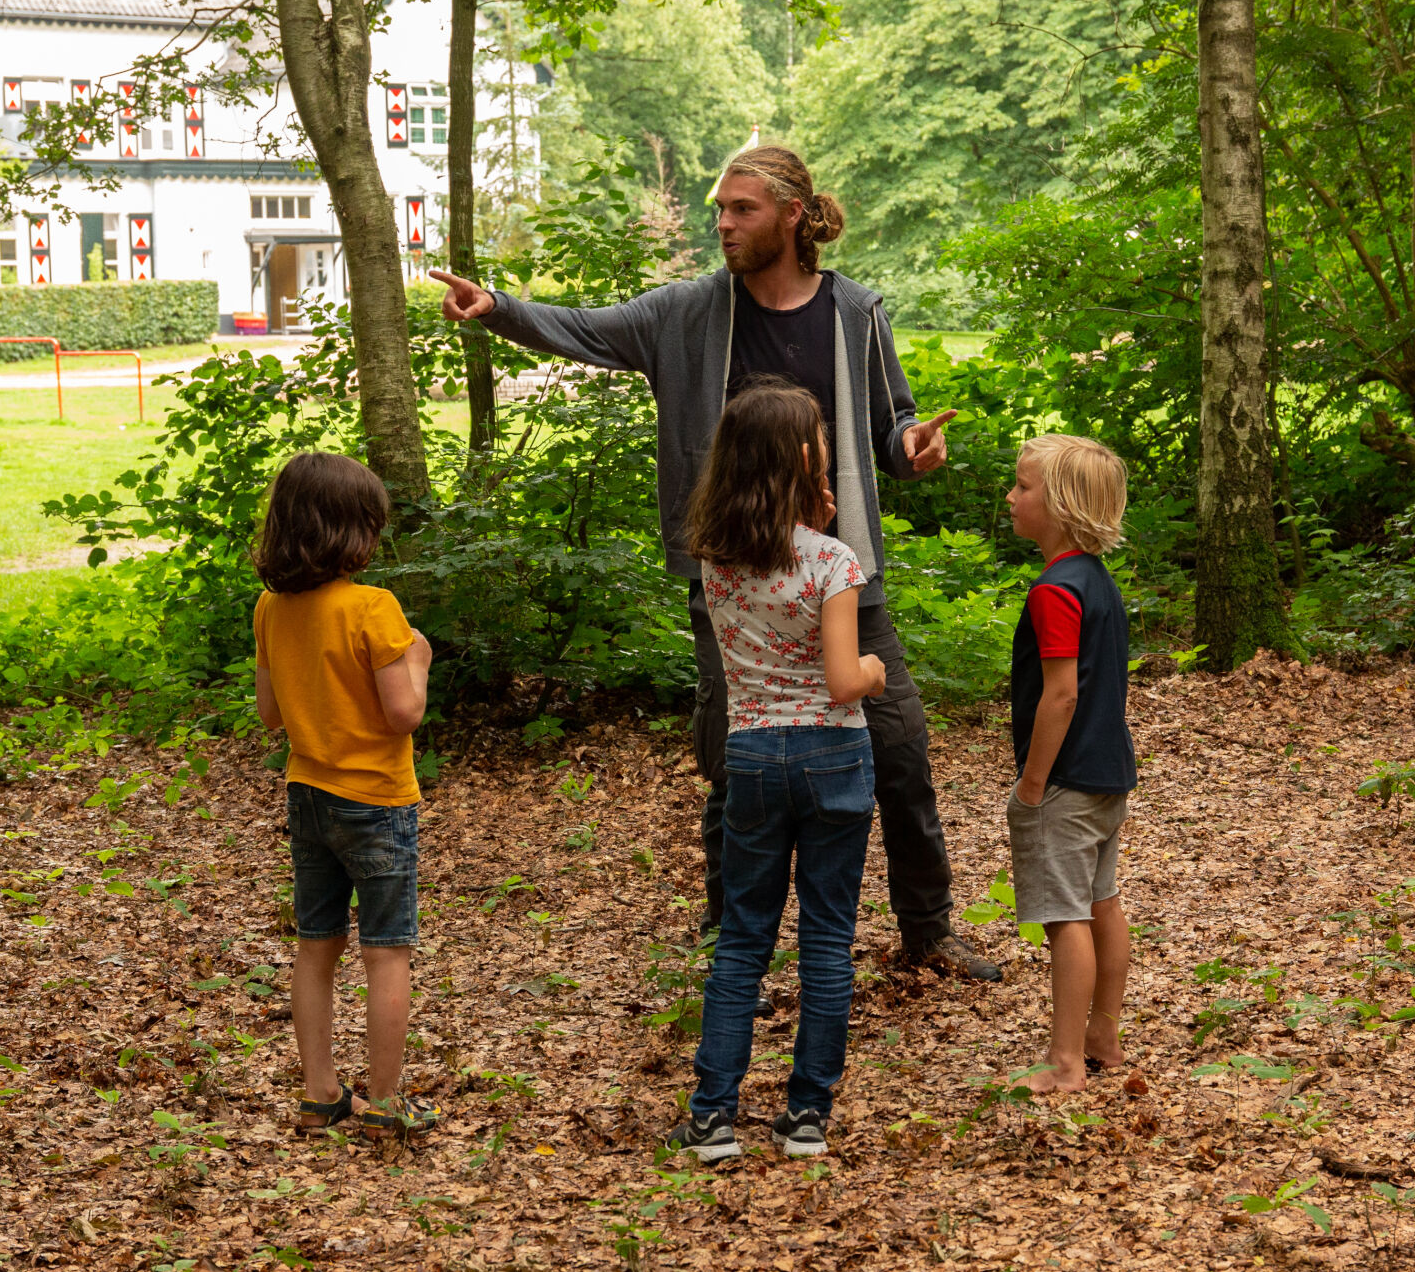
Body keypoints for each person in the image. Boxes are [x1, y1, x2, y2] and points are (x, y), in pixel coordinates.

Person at [430, 144, 1001, 985]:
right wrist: (499, 307)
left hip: (843, 574)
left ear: (792, 217)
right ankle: (730, 936)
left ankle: (927, 929)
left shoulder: (857, 312)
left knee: (901, 753)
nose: (724, 225)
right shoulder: (690, 313)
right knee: (737, 758)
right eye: (720, 211)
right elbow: (585, 328)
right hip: (731, 580)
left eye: (742, 210)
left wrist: (910, 447)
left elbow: (894, 421)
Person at [664, 382, 886, 1161]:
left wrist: (806, 524)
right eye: (820, 437)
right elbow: (839, 678)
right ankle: (805, 1118)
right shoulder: (834, 560)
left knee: (743, 939)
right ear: (802, 458)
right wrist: (874, 668)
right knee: (826, 939)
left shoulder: (716, 558)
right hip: (832, 754)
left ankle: (714, 1118)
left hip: (753, 752)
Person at [252, 452, 440, 1140]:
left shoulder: (272, 606)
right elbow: (404, 713)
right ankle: (386, 1101)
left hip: (309, 795)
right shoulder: (374, 608)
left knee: (316, 945)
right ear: (349, 531)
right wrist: (417, 656)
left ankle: (320, 1092)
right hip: (378, 800)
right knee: (386, 950)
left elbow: (271, 712)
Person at [1003, 435, 1136, 1094]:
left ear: (1055, 505)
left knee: (1067, 917)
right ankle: (1102, 1039)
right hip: (1109, 774)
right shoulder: (1099, 584)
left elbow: (1061, 693)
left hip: (1066, 781)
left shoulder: (1055, 591)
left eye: (1022, 487)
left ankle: (1064, 1063)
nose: (1011, 497)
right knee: (1102, 902)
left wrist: (1032, 783)